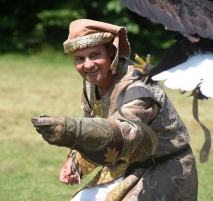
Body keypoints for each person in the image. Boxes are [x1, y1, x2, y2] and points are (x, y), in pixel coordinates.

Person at [31, 19, 198, 201]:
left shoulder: (136, 86)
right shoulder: (91, 82)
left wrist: (71, 130)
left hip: (165, 169)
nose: (88, 65)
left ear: (111, 52)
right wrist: (76, 160)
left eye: (95, 55)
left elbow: (124, 137)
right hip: (126, 166)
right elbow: (94, 124)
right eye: (79, 58)